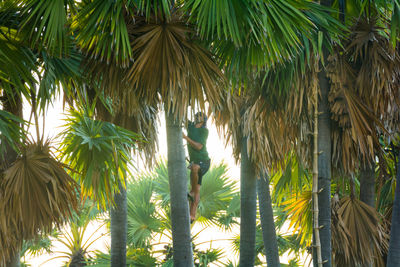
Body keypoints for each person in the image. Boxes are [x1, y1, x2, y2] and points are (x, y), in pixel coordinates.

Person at [183, 112, 211, 223]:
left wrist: (185, 138)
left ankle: (193, 193)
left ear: (204, 119)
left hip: (204, 162)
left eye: (200, 115)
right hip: (195, 161)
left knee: (194, 168)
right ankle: (192, 215)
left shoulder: (204, 131)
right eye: (196, 115)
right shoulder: (190, 126)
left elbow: (199, 146)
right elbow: (182, 114)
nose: (196, 116)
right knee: (196, 189)